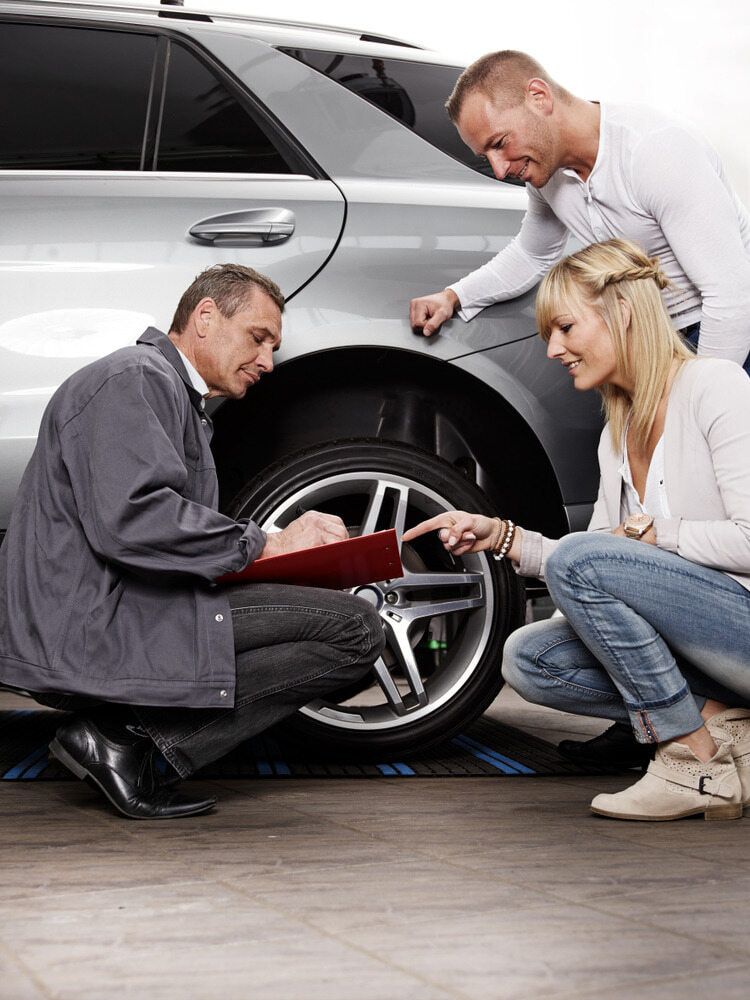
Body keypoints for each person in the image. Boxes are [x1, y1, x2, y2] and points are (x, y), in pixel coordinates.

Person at [0, 264, 385, 820]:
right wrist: (267, 547)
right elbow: (134, 520)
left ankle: (124, 737)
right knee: (353, 629)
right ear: (205, 316)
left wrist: (280, 558)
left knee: (336, 620)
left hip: (111, 607)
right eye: (258, 338)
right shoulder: (136, 377)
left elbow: (155, 532)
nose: (267, 362)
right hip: (93, 622)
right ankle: (128, 740)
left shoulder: (167, 394)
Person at [403, 238, 750, 822]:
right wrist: (504, 538)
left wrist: (648, 533)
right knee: (530, 657)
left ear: (621, 312)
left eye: (565, 327)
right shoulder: (615, 431)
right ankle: (724, 725)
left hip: (739, 623)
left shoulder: (715, 386)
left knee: (585, 561)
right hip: (707, 654)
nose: (554, 349)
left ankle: (690, 759)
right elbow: (598, 564)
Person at [409, 50, 750, 374]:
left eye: (500, 143)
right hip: (652, 341)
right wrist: (453, 296)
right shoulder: (546, 173)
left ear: (539, 97)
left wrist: (700, 401)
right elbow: (531, 254)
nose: (499, 170)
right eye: (487, 156)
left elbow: (732, 297)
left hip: (723, 334)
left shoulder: (654, 150)